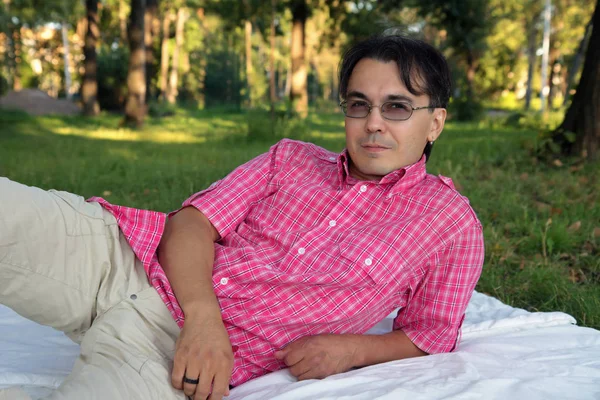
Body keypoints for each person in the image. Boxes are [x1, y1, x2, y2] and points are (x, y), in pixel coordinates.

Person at [0, 33, 484, 400]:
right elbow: (189, 224)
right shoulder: (290, 158)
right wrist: (204, 319)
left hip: (170, 354)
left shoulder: (449, 224)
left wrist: (353, 349)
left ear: (435, 122)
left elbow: (430, 332)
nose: (373, 123)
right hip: (120, 258)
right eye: (359, 105)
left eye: (396, 107)